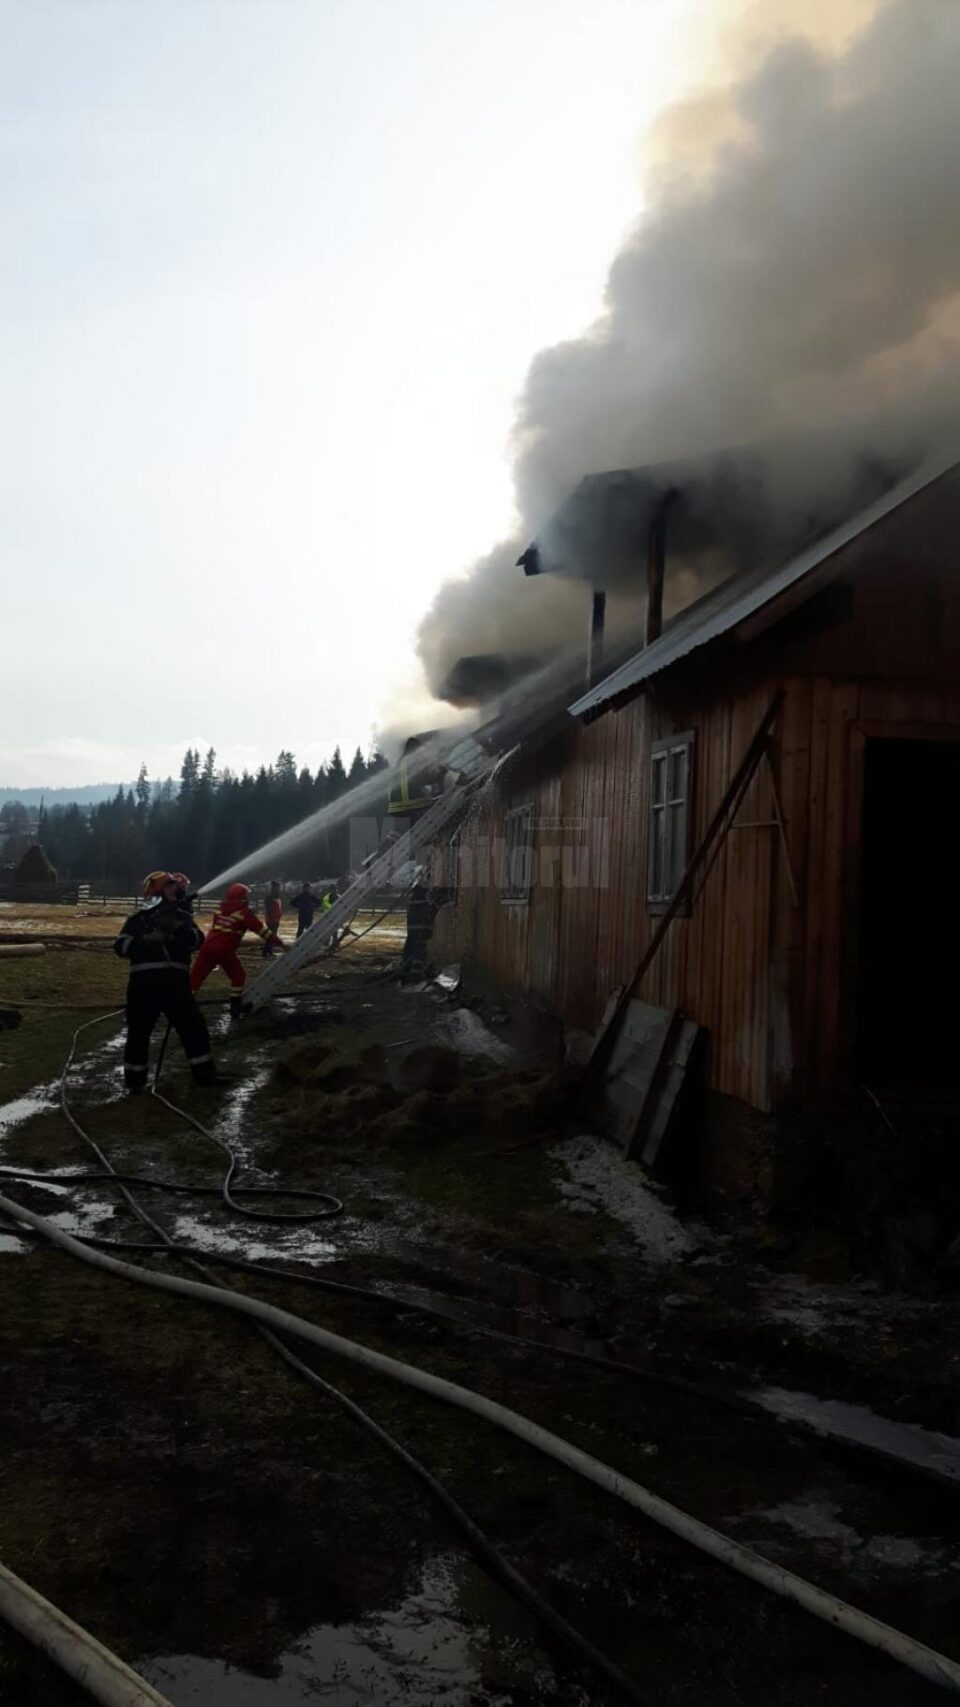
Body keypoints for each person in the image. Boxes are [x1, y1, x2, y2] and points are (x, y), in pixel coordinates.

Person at [114, 871, 214, 1093]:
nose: (176, 890)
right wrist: (146, 940)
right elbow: (120, 946)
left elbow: (199, 941)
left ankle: (204, 1076)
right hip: (144, 986)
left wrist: (179, 931)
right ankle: (135, 1084)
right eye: (170, 886)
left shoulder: (183, 918)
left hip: (176, 985)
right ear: (157, 891)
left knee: (193, 1028)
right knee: (138, 1033)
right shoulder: (137, 920)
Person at [190, 882, 282, 1015]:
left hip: (207, 947)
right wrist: (280, 943)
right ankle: (235, 1007)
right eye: (246, 896)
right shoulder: (244, 914)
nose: (248, 899)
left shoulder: (220, 910)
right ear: (242, 898)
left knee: (196, 977)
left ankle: (186, 1005)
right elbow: (262, 931)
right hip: (224, 949)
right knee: (238, 975)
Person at [262, 880, 283, 957]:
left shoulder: (277, 897)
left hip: (276, 919)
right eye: (277, 887)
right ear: (273, 888)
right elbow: (269, 910)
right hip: (271, 920)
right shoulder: (269, 898)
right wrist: (271, 920)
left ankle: (269, 951)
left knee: (272, 936)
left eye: (278, 887)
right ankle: (265, 952)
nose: (278, 889)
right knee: (271, 936)